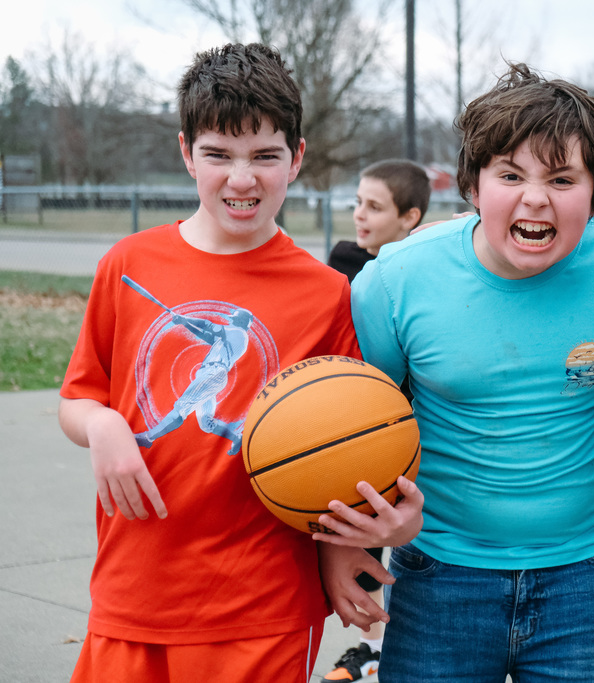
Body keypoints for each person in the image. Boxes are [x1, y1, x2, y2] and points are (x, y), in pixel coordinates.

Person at [57, 43, 422, 683]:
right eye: (218, 155)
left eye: (265, 157)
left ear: (297, 158)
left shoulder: (327, 294)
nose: (242, 178)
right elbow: (77, 400)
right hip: (132, 588)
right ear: (185, 153)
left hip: (263, 604)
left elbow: (346, 447)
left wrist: (343, 549)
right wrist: (102, 426)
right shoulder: (127, 265)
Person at [338, 62, 594, 682]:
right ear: (474, 187)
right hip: (438, 573)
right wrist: (349, 546)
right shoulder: (396, 281)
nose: (535, 198)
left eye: (562, 178)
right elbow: (350, 427)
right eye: (510, 175)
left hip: (591, 578)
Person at [322, 158, 431, 683]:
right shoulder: (341, 268)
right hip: (351, 433)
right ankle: (367, 646)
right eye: (357, 203)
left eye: (375, 206)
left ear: (410, 217)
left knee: (402, 545)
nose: (360, 215)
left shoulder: (426, 274)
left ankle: (376, 646)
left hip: (411, 435)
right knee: (354, 539)